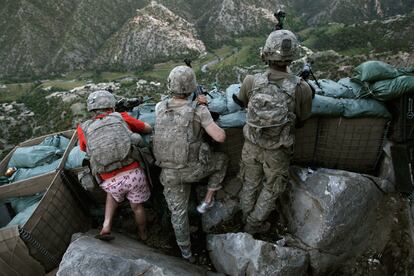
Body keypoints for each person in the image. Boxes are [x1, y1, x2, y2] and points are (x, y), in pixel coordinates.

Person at [233, 30, 313, 234]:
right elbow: (302, 121)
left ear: (266, 53)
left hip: (251, 144)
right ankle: (253, 224)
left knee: (250, 182)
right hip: (278, 151)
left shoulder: (251, 81)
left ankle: (244, 215)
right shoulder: (301, 88)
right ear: (292, 55)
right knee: (272, 188)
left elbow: (242, 102)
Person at [153, 66, 228, 262]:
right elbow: (219, 137)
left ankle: (186, 254)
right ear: (192, 87)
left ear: (170, 85)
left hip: (168, 173)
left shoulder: (159, 107)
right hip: (192, 170)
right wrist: (202, 107)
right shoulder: (198, 109)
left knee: (178, 213)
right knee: (222, 160)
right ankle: (208, 199)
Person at [77, 90, 152, 241]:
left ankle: (106, 226)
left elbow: (84, 148)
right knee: (137, 207)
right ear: (111, 104)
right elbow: (147, 128)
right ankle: (144, 234)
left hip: (109, 180)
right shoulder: (121, 117)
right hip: (133, 175)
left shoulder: (83, 128)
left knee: (112, 195)